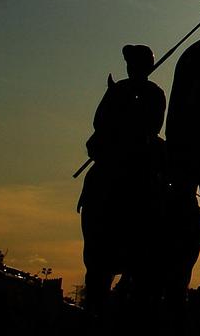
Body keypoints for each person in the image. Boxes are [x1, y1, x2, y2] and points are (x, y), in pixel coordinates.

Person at [79, 45, 166, 322]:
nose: (132, 68)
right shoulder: (118, 92)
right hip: (120, 161)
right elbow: (99, 126)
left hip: (139, 160)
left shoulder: (152, 94)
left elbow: (153, 127)